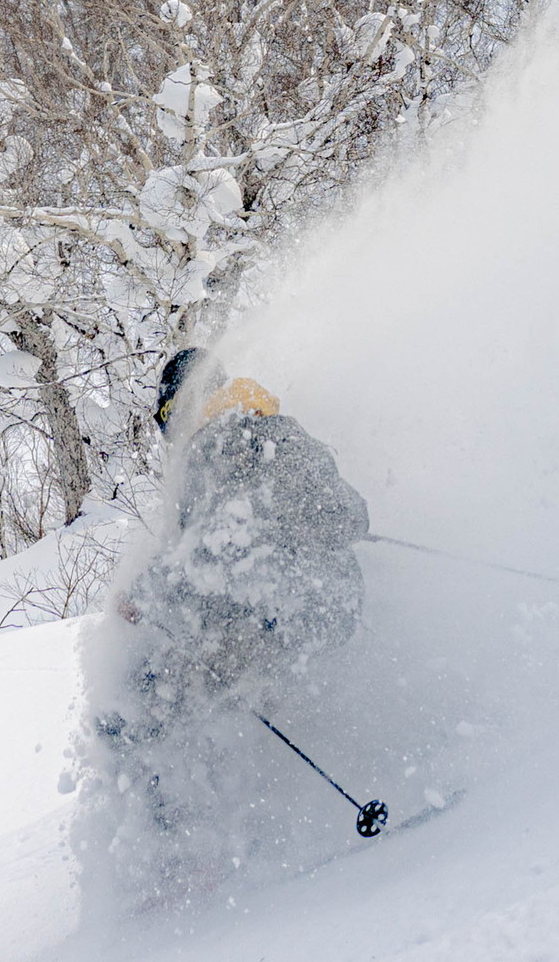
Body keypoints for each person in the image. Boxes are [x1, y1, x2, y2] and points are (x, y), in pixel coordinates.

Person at [95, 347, 369, 904]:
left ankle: (184, 862)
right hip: (333, 613)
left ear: (182, 408)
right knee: (205, 686)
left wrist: (144, 595)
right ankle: (267, 825)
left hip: (275, 623)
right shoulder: (282, 431)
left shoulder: (213, 445)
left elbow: (211, 556)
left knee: (142, 701)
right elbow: (352, 517)